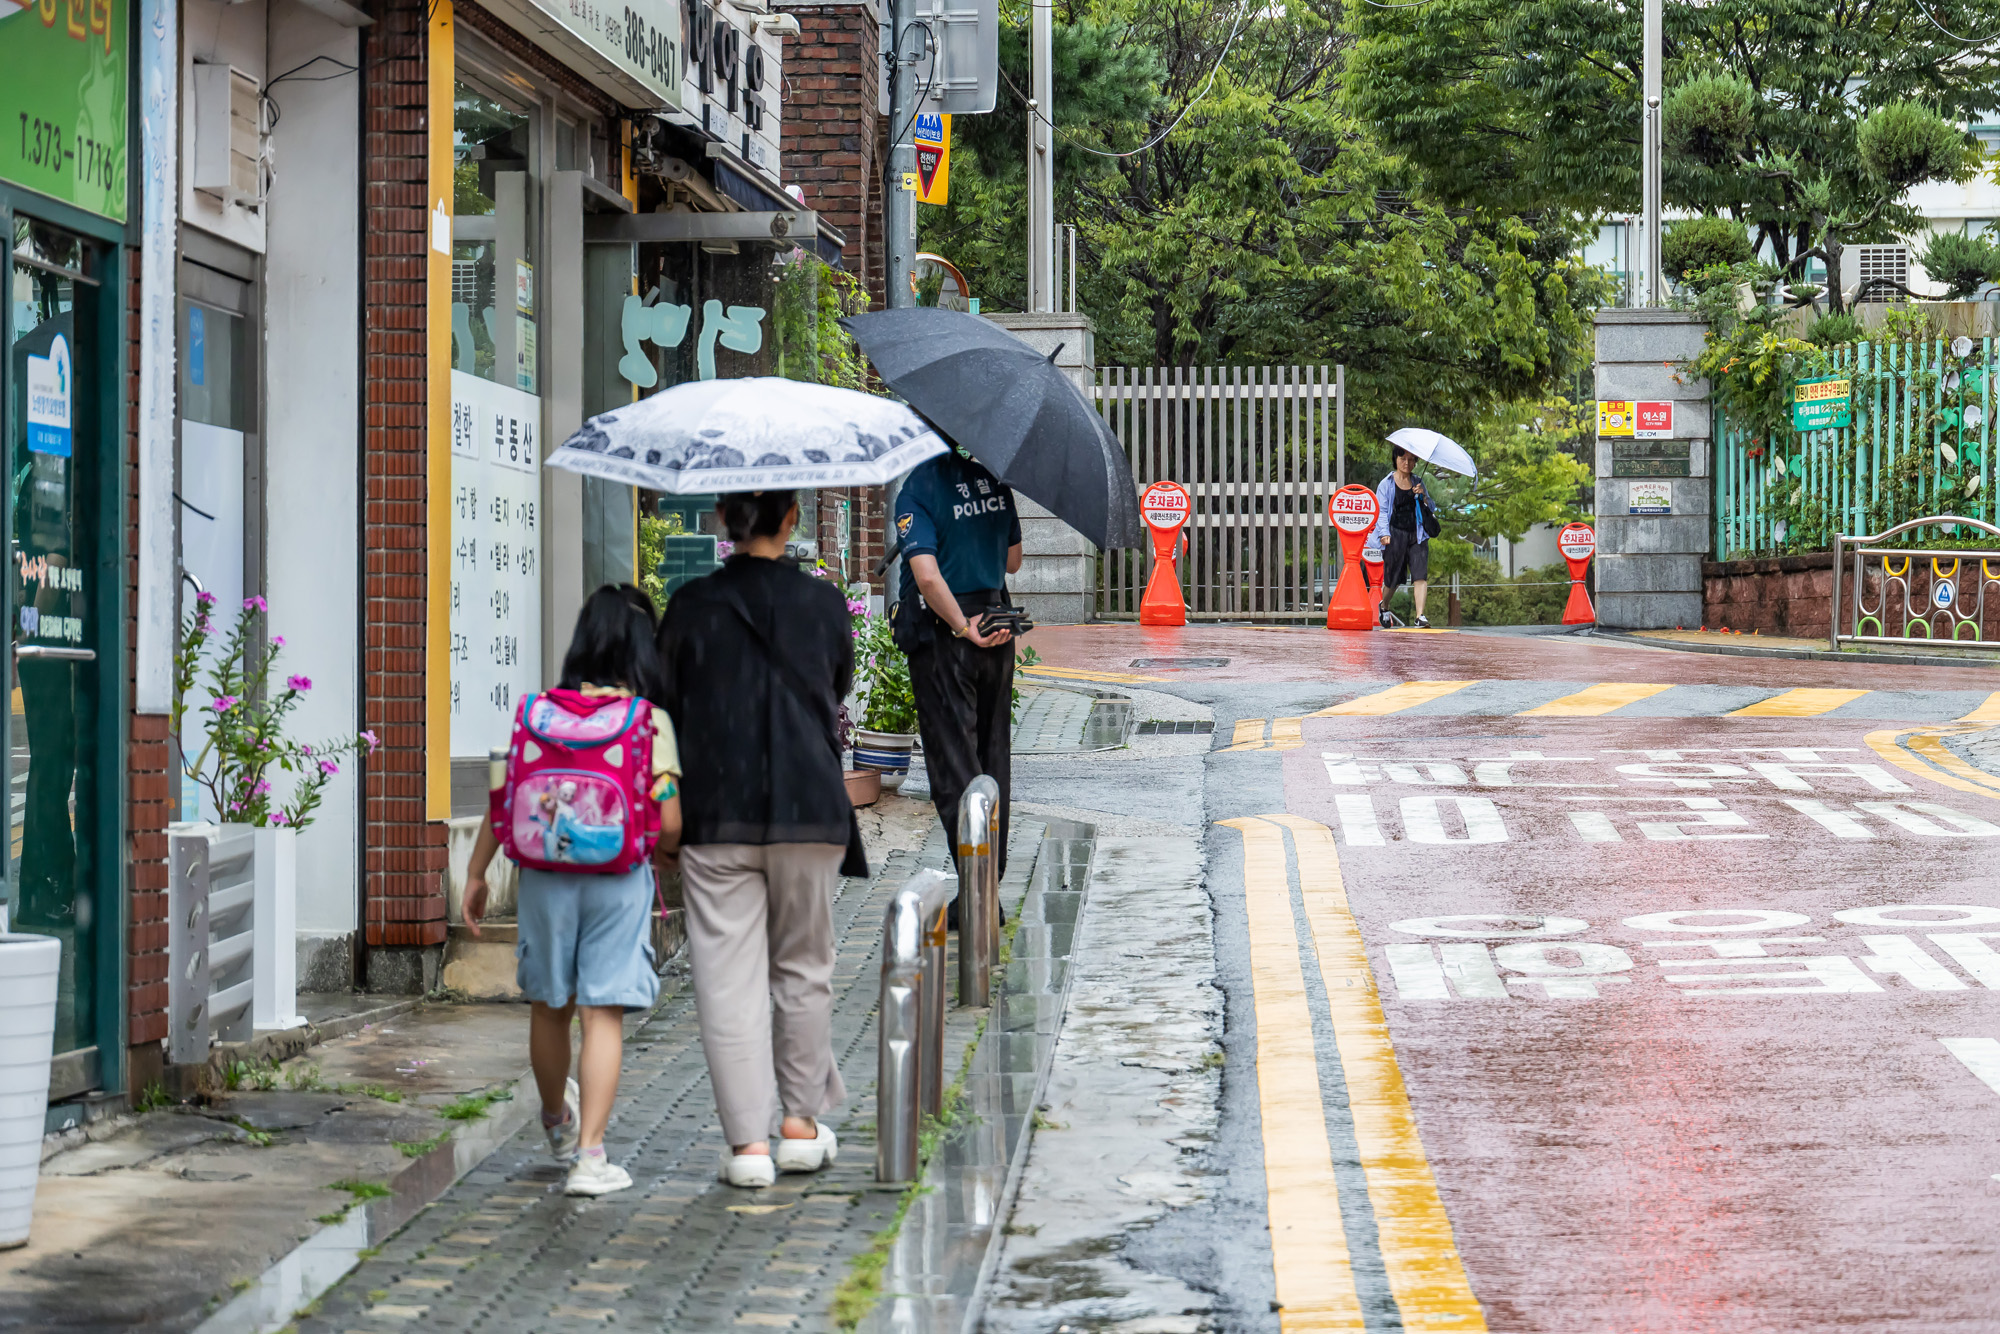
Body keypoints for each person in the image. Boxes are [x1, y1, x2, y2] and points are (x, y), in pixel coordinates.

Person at [656, 490, 857, 1190]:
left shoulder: (688, 609)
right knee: (804, 968)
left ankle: (748, 1148)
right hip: (809, 806)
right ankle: (801, 1128)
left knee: (726, 979)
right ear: (792, 520)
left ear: (721, 522)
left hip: (718, 812)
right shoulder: (825, 606)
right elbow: (836, 687)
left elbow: (664, 706)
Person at [462, 587, 682, 1197]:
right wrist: (668, 848)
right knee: (601, 1010)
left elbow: (502, 797)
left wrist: (478, 872)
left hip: (544, 881)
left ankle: (556, 1121)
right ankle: (591, 1158)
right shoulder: (647, 721)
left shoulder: (539, 714)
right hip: (616, 882)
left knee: (549, 1005)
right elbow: (667, 819)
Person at [893, 445, 1023, 877]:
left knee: (954, 765)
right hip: (997, 625)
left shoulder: (917, 488)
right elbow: (1013, 561)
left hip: (946, 633)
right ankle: (992, 878)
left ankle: (976, 886)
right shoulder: (994, 481)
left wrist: (962, 626)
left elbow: (927, 576)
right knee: (993, 755)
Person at [1370, 445, 1437, 628]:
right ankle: (1384, 606)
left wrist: (1423, 496)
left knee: (1420, 574)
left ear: (1415, 462)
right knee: (1394, 578)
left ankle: (1420, 616)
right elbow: (1381, 511)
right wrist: (1383, 534)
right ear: (1396, 459)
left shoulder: (1418, 482)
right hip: (1395, 534)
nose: (1406, 463)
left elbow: (1431, 508)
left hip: (1418, 534)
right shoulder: (1386, 484)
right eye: (1403, 459)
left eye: (1411, 459)